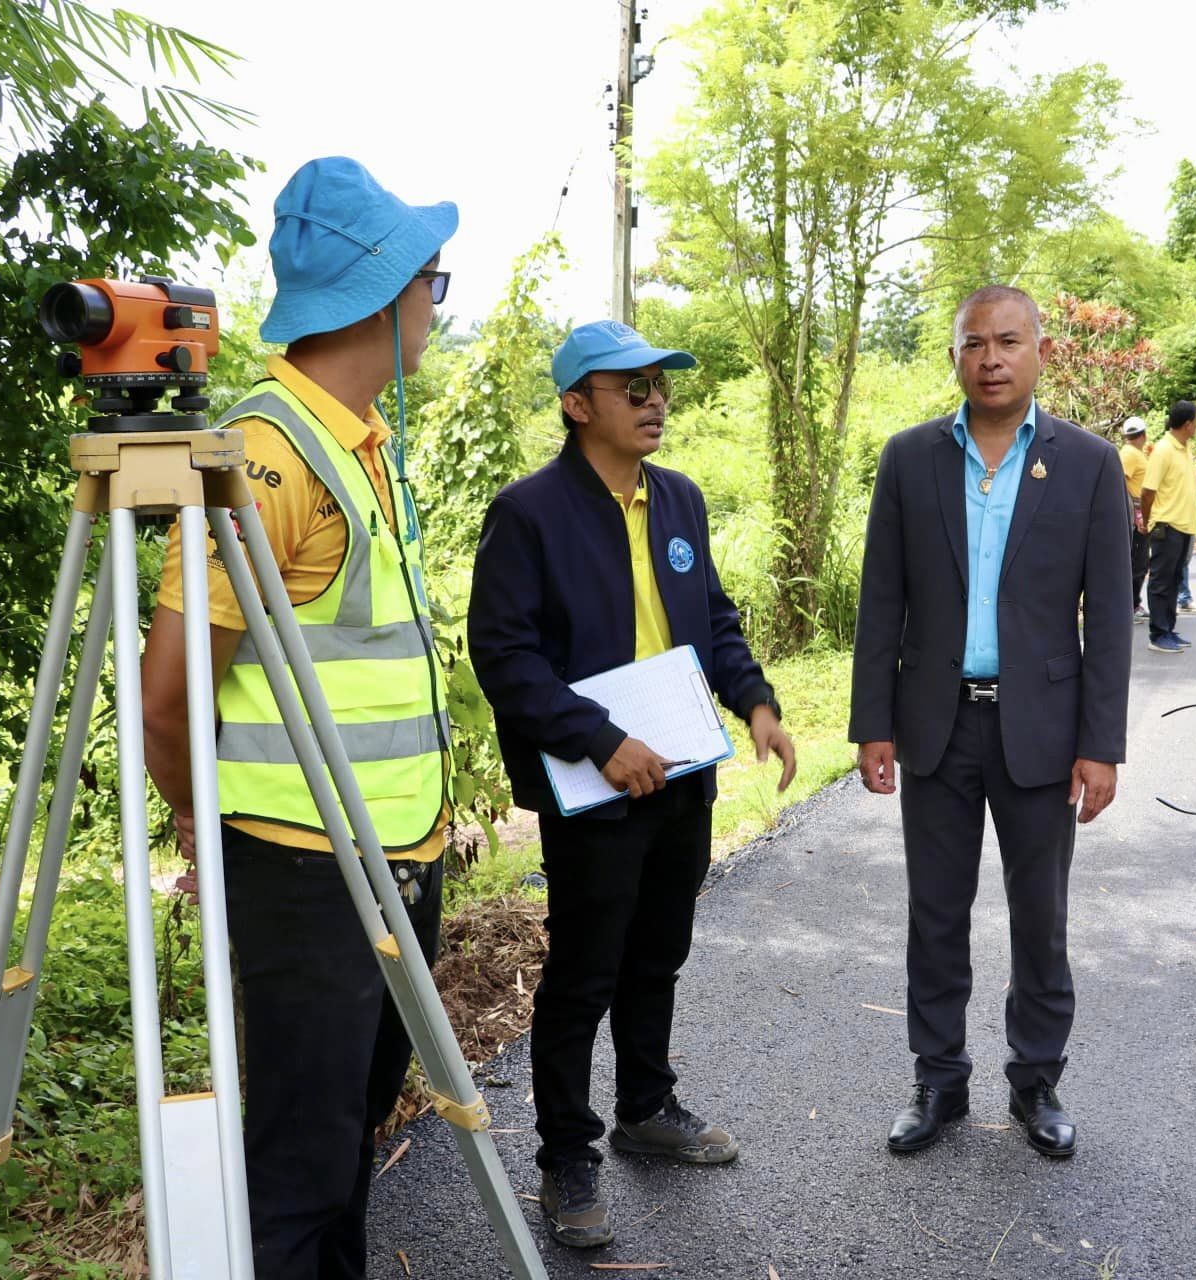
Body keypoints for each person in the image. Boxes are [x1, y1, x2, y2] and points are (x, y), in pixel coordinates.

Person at [140, 156, 456, 1279]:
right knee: (296, 1170)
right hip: (302, 869)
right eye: (435, 282)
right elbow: (168, 696)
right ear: (383, 293)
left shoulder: (358, 442)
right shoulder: (270, 453)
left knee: (344, 1145)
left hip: (386, 859)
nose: (436, 306)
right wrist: (198, 821)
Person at [469, 320, 797, 1250]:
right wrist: (601, 740)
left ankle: (647, 1107)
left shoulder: (680, 500)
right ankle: (567, 1153)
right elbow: (503, 652)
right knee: (583, 974)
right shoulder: (530, 513)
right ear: (578, 405)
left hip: (684, 772)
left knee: (658, 952)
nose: (656, 401)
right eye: (632, 387)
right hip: (595, 784)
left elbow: (713, 622)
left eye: (661, 384)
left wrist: (757, 703)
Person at [850, 284, 1131, 1160]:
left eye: (1010, 342)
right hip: (935, 722)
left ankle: (1035, 1081)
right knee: (935, 911)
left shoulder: (1087, 463)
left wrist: (1102, 746)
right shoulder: (909, 460)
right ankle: (938, 1080)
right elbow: (881, 599)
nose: (992, 359)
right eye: (975, 344)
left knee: (1038, 915)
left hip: (1041, 730)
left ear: (1041, 352)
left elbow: (1112, 615)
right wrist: (872, 725)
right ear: (954, 357)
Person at [1140, 400, 1196, 654]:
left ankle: (1169, 629)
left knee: (1175, 580)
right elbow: (1147, 491)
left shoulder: (1184, 449)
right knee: (1161, 581)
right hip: (1167, 525)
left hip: (1185, 526)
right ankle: (1158, 633)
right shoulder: (1164, 450)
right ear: (1188, 424)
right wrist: (1147, 521)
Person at [1118, 416, 1152, 623]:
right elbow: (1120, 480)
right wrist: (1134, 512)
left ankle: (1134, 603)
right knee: (1138, 562)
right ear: (1143, 435)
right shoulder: (1129, 454)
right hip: (1136, 512)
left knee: (1140, 561)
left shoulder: (1135, 453)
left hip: (1141, 510)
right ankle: (1130, 605)